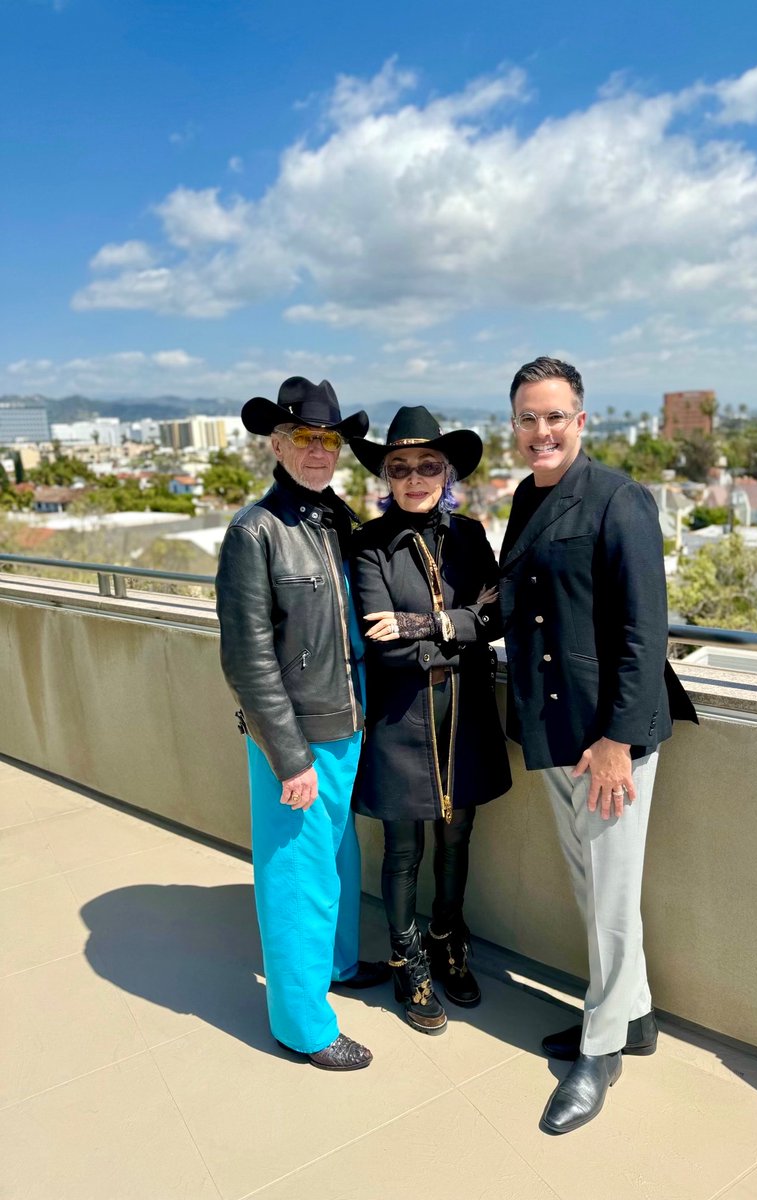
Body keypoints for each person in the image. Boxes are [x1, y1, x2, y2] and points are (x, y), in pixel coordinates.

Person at [499, 357, 697, 1134]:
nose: (541, 432)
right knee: (592, 888)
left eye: (555, 417)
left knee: (610, 896)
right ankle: (636, 1016)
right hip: (553, 726)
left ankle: (602, 1047)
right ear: (514, 427)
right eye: (527, 418)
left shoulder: (619, 499)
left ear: (581, 422)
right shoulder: (525, 497)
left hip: (608, 737)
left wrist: (618, 739)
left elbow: (646, 631)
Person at [216, 376, 390, 1073]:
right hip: (298, 738)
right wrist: (288, 756)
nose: (320, 451)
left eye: (330, 440)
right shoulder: (255, 532)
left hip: (347, 726)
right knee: (296, 878)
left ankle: (338, 964)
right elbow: (248, 660)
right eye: (306, 439)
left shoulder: (331, 518)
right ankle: (302, 1026)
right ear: (278, 444)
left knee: (337, 860)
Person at [350, 406, 511, 1035]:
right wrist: (461, 628)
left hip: (462, 715)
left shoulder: (470, 535)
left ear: (446, 472)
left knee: (457, 840)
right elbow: (382, 647)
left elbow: (495, 619)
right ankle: (408, 961)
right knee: (404, 850)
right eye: (400, 467)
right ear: (386, 477)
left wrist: (430, 624)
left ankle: (449, 942)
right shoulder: (368, 544)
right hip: (402, 718)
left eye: (428, 465)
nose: (415, 477)